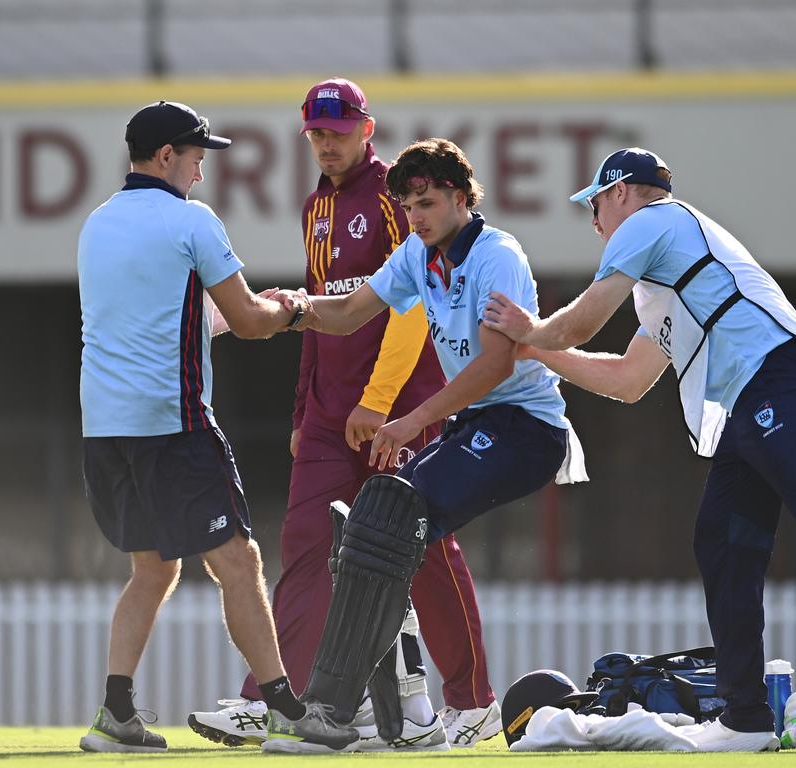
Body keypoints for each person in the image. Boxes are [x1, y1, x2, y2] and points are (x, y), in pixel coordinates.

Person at [482, 146, 796, 752]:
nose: (595, 220)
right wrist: (540, 351)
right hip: (749, 399)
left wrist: (530, 332)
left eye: (596, 204)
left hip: (776, 373)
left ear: (623, 191)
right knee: (722, 545)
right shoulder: (665, 271)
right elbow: (629, 381)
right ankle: (746, 717)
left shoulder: (654, 221)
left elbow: (578, 324)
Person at [187, 78, 501, 752]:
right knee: (303, 547)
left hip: (399, 408)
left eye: (338, 131)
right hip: (333, 417)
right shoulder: (314, 206)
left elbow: (412, 303)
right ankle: (272, 702)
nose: (326, 145)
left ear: (367, 129)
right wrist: (306, 410)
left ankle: (472, 704)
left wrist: (380, 403)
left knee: (420, 550)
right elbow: (317, 312)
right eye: (316, 134)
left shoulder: (396, 196)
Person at [259, 137, 586, 753]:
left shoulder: (497, 256)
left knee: (391, 517)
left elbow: (496, 366)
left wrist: (410, 421)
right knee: (371, 529)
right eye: (408, 204)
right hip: (477, 425)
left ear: (462, 199)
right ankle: (405, 717)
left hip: (525, 428)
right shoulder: (417, 252)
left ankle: (341, 712)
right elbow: (353, 311)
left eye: (428, 202)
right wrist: (290, 310)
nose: (416, 215)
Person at [76, 100, 312, 753]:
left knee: (152, 571)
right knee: (240, 560)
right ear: (165, 157)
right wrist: (297, 309)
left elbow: (160, 319)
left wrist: (234, 318)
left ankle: (114, 715)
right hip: (171, 425)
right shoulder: (191, 221)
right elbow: (249, 316)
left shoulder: (96, 224)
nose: (200, 174)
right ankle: (285, 709)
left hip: (104, 429)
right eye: (196, 159)